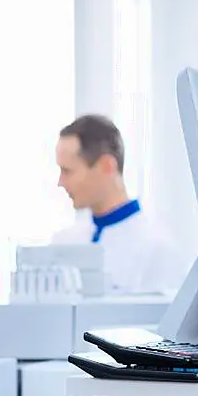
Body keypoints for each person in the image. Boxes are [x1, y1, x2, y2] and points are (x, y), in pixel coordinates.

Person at [52, 114, 180, 294]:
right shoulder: (63, 243)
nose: (60, 182)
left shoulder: (155, 249)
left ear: (106, 166)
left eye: (67, 171)